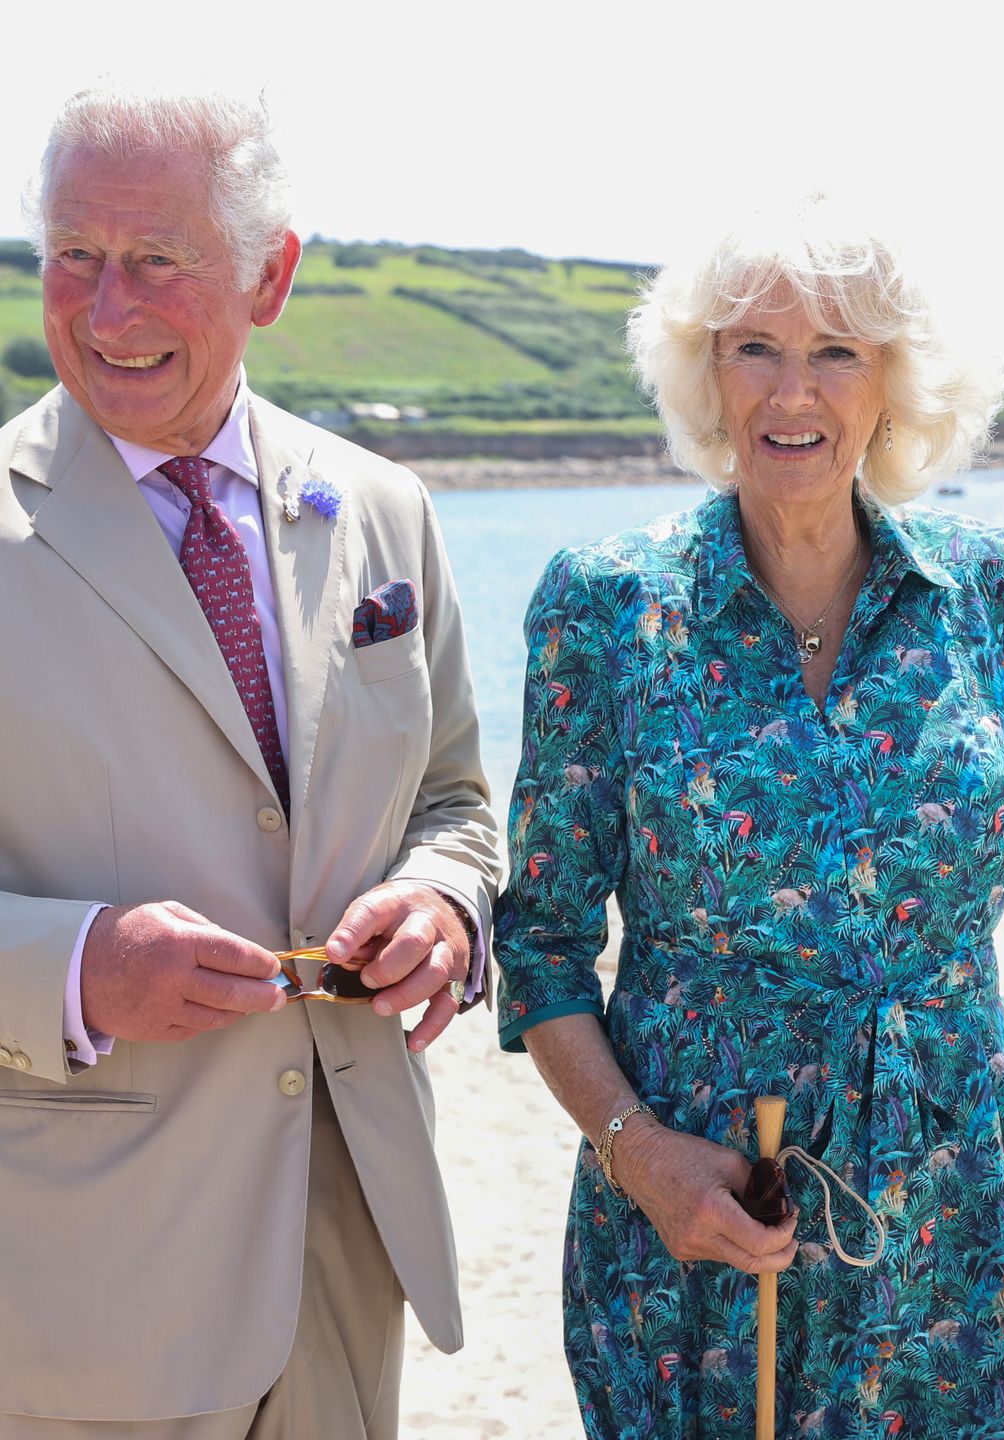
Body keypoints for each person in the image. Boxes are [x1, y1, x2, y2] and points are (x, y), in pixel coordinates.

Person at [494, 197, 1004, 1438]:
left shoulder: (984, 588)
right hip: (705, 1223)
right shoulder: (607, 608)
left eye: (837, 351)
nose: (790, 391)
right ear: (706, 370)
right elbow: (539, 942)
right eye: (754, 346)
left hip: (961, 1218)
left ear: (894, 383)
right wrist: (636, 1151)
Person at [0, 84, 499, 1439]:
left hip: (348, 1249)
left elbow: (456, 796)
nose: (107, 311)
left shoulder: (386, 508)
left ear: (270, 274)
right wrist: (76, 969)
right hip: (87, 1282)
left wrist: (446, 906)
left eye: (156, 261)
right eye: (75, 259)